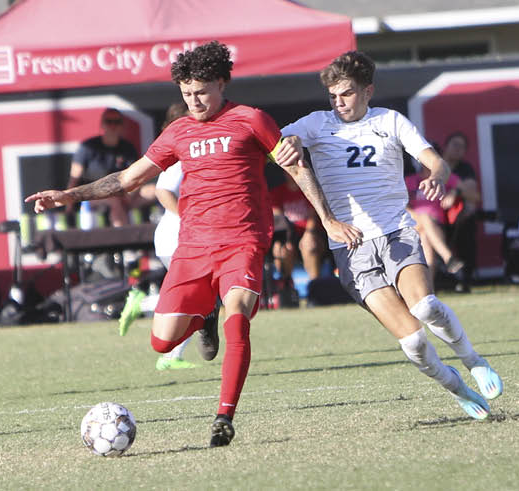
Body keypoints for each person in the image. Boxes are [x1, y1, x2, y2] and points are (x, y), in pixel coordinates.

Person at [27, 41, 360, 447]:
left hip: (243, 240)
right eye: (186, 94)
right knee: (162, 341)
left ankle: (224, 416)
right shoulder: (178, 131)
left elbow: (294, 164)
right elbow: (128, 179)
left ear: (222, 82)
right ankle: (204, 316)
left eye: (201, 92)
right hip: (193, 247)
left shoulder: (251, 119)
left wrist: (327, 219)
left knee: (237, 316)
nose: (194, 101)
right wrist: (68, 195)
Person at [272, 51, 502, 420]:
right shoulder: (316, 123)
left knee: (425, 306)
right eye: (333, 95)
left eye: (346, 93)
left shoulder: (390, 121)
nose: (338, 102)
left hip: (396, 230)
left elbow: (437, 162)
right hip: (349, 247)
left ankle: (474, 360)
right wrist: (289, 146)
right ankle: (456, 386)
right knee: (412, 340)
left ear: (367, 91)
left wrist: (437, 178)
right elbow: (279, 146)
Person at [117, 102, 208, 371]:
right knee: (193, 299)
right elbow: (163, 192)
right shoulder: (182, 153)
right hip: (178, 238)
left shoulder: (189, 151)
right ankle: (142, 303)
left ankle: (171, 356)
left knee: (197, 300)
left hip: (180, 237)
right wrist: (189, 220)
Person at [68, 108, 143, 227]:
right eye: (109, 121)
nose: (113, 126)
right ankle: (124, 239)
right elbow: (74, 178)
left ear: (122, 125)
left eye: (117, 122)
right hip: (93, 193)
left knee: (155, 191)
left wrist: (130, 196)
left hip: (124, 192)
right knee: (114, 200)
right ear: (102, 124)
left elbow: (138, 176)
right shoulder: (88, 147)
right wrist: (69, 202)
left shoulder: (128, 148)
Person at [270, 173, 326, 307]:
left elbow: (314, 215)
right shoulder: (277, 192)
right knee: (280, 249)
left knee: (308, 245)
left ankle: (315, 290)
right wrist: (286, 239)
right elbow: (278, 218)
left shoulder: (308, 189)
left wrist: (309, 233)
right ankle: (286, 289)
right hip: (289, 233)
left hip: (312, 233)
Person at [405, 164, 464, 285]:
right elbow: (400, 203)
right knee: (425, 218)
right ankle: (448, 257)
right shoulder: (409, 180)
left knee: (425, 237)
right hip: (413, 223)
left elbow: (470, 190)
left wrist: (454, 192)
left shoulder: (443, 178)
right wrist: (414, 215)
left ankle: (428, 289)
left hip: (436, 225)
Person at [440, 132, 482, 292]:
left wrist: (455, 192)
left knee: (468, 215)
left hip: (453, 216)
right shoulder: (434, 167)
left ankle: (464, 277)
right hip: (432, 215)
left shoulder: (464, 170)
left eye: (462, 147)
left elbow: (473, 194)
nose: (458, 150)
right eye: (455, 145)